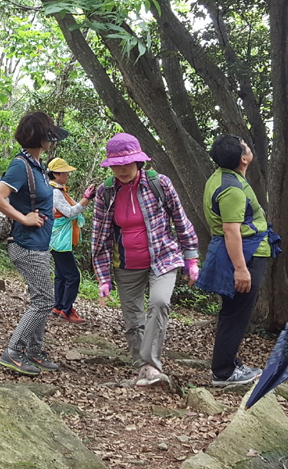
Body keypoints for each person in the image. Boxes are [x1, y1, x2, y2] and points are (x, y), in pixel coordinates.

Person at [91, 133, 200, 386]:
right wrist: (103, 278)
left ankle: (151, 365)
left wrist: (191, 258)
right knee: (133, 320)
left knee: (159, 303)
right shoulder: (105, 193)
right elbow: (100, 237)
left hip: (163, 257)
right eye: (116, 165)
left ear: (138, 161)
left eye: (127, 163)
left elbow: (180, 220)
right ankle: (142, 369)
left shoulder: (159, 184)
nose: (122, 169)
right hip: (126, 265)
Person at [195, 134, 279, 386]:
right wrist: (241, 269)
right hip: (245, 253)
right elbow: (231, 230)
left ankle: (228, 362)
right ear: (243, 158)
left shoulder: (221, 177)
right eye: (245, 146)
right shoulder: (231, 188)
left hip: (242, 250)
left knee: (233, 311)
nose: (249, 147)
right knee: (237, 314)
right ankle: (223, 372)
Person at [0, 111, 68, 375]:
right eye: (48, 135)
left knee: (41, 298)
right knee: (45, 300)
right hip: (26, 244)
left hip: (39, 244)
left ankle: (33, 351)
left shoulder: (37, 165)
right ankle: (13, 352)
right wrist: (24, 218)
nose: (51, 140)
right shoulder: (20, 165)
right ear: (39, 137)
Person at [45, 157, 91, 325]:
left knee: (61, 274)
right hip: (60, 239)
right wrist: (86, 199)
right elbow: (70, 212)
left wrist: (85, 200)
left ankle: (58, 307)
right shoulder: (55, 192)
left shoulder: (57, 190)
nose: (68, 175)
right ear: (56, 174)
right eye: (65, 172)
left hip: (58, 238)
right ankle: (67, 310)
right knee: (73, 276)